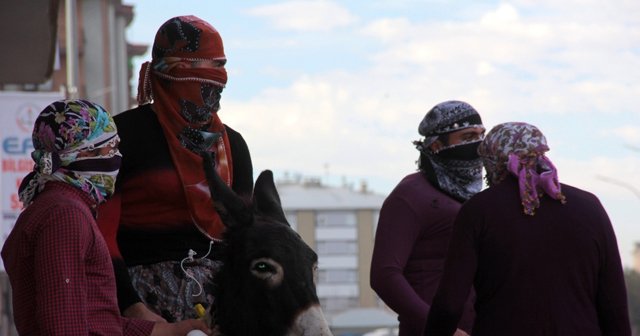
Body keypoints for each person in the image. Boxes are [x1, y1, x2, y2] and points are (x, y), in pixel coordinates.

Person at [1, 99, 210, 336]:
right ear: (85, 153)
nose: (118, 157)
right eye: (111, 148)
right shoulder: (63, 215)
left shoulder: (62, 208)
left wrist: (174, 330)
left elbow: (97, 322)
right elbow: (63, 325)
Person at [96, 15, 254, 323]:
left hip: (224, 309)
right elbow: (102, 233)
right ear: (167, 75)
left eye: (219, 70)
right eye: (197, 74)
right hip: (144, 307)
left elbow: (247, 236)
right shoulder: (122, 136)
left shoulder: (233, 146)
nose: (212, 86)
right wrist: (132, 306)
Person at [424, 122, 632, 336]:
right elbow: (613, 302)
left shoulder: (478, 210)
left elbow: (449, 304)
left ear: (492, 158)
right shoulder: (590, 207)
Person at [370, 100, 485, 336]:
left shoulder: (472, 196)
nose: (477, 145)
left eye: (481, 135)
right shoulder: (410, 194)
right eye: (467, 137)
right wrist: (441, 328)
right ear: (435, 145)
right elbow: (384, 275)